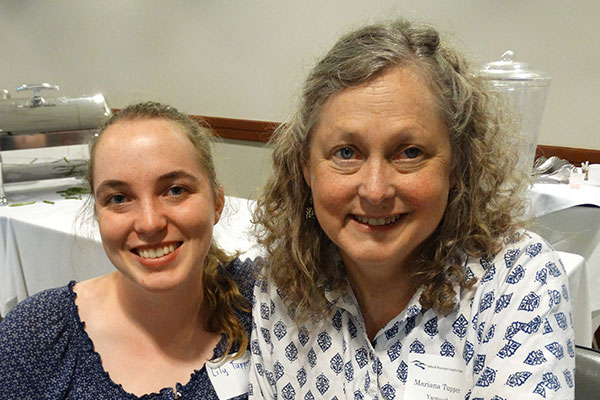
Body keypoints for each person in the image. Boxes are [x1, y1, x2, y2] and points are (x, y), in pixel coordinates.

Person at [249, 19, 574, 399]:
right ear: (306, 167)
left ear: (457, 164)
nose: (374, 190)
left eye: (409, 152)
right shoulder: (283, 284)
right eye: (346, 153)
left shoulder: (517, 280)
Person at [0, 102, 255, 399]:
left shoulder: (260, 304)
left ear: (217, 203)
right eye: (119, 198)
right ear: (97, 213)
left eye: (175, 190)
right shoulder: (35, 335)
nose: (149, 223)